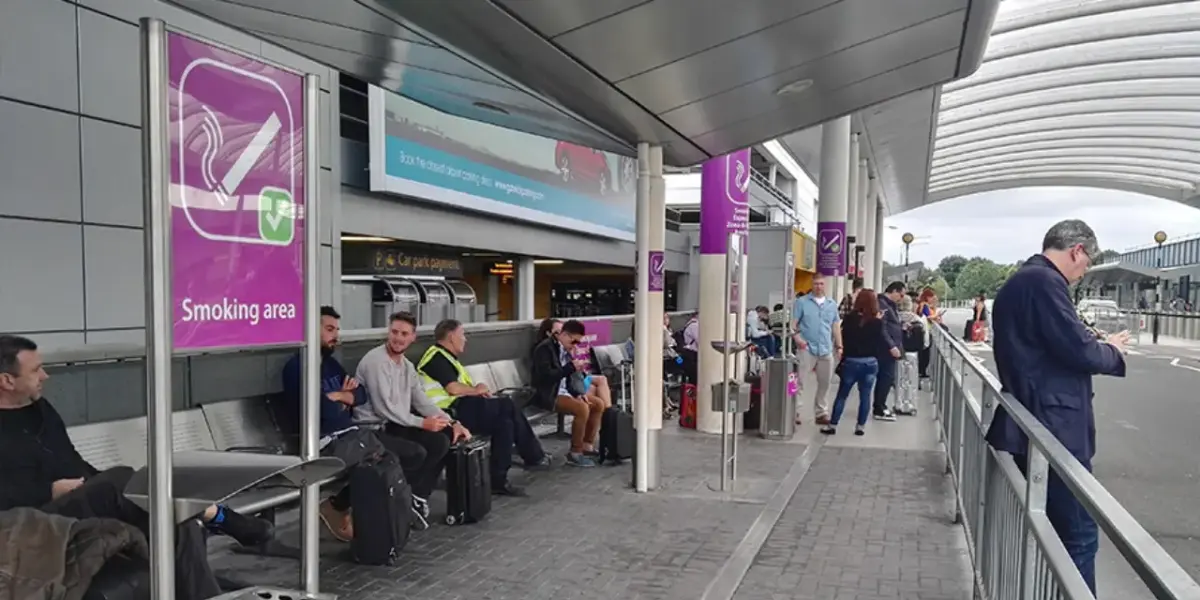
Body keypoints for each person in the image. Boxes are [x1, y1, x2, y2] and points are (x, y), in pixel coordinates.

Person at [0, 334, 273, 600]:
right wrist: (48, 491)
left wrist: (97, 483)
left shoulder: (40, 409)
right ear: (7, 380)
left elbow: (71, 459)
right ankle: (222, 518)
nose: (45, 376)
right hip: (27, 521)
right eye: (35, 370)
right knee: (126, 484)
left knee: (171, 511)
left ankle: (205, 589)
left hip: (76, 498)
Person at [986, 219, 1129, 595]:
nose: (1083, 272)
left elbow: (1055, 342)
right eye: (1087, 261)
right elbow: (1078, 349)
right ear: (1076, 250)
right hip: (1054, 429)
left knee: (1054, 530)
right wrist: (1112, 351)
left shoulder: (1022, 281)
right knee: (1079, 535)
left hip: (1032, 420)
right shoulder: (1046, 283)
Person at [283, 305, 400, 541]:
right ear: (309, 330)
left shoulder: (331, 365)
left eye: (336, 329)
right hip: (322, 443)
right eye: (329, 329)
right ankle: (350, 515)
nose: (335, 335)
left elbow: (361, 394)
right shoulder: (298, 368)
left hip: (348, 435)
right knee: (378, 463)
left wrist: (338, 397)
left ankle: (347, 511)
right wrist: (342, 400)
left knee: (386, 461)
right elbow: (322, 412)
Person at [355, 312, 470, 528]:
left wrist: (452, 423)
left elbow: (422, 400)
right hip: (370, 430)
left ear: (413, 337)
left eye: (404, 334)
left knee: (444, 439)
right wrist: (421, 423)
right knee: (416, 452)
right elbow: (385, 408)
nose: (398, 338)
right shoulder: (376, 361)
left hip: (393, 425)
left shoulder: (406, 366)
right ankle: (402, 499)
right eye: (394, 332)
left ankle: (416, 496)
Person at [417, 319, 552, 497]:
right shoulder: (436, 356)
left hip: (463, 407)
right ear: (451, 337)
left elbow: (458, 386)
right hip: (449, 414)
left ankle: (498, 480)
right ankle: (534, 456)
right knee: (506, 405)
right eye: (462, 335)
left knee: (505, 424)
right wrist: (476, 390)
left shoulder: (448, 358)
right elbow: (452, 388)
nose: (465, 339)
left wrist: (477, 390)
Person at [531, 320, 609, 467]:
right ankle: (575, 452)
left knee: (598, 404)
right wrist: (569, 367)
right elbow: (546, 377)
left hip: (564, 391)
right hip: (548, 394)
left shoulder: (565, 349)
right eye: (574, 341)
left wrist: (577, 393)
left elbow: (568, 380)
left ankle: (587, 444)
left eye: (578, 343)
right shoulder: (545, 349)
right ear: (565, 335)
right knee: (581, 409)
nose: (575, 346)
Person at [820, 289, 886, 436]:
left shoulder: (850, 319)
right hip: (870, 362)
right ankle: (860, 427)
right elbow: (879, 343)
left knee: (842, 395)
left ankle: (833, 425)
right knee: (865, 396)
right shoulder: (877, 322)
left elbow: (844, 338)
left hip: (851, 362)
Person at [792, 273, 841, 425]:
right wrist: (798, 339)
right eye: (816, 284)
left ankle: (821, 412)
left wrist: (839, 345)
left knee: (825, 383)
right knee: (799, 381)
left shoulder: (831, 304)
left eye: (821, 284)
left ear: (824, 285)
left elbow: (835, 326)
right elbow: (792, 324)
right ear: (811, 285)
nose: (818, 287)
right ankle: (794, 411)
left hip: (826, 349)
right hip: (807, 348)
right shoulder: (801, 302)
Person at [873, 282, 906, 421]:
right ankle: (879, 408)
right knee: (885, 377)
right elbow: (882, 328)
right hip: (885, 349)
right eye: (901, 294)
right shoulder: (883, 305)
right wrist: (892, 346)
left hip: (889, 347)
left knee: (886, 377)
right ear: (893, 291)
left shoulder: (889, 305)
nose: (902, 298)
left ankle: (880, 405)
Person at [915, 288, 941, 379]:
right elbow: (928, 317)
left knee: (923, 353)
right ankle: (921, 371)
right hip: (925, 330)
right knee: (925, 353)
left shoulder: (922, 304)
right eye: (931, 297)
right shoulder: (924, 305)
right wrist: (937, 316)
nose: (932, 298)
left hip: (924, 330)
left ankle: (921, 371)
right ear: (927, 297)